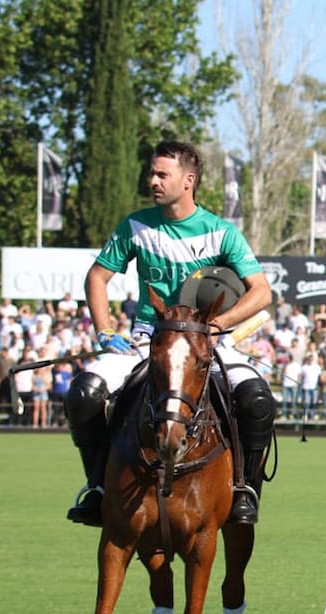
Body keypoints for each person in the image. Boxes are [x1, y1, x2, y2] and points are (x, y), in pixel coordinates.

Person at [65, 140, 275, 528]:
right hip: (148, 339)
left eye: (163, 174)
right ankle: (97, 486)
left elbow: (261, 291)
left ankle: (245, 488)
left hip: (204, 344)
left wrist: (217, 326)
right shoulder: (136, 225)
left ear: (188, 180)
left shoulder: (220, 232)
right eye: (152, 173)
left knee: (257, 399)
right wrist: (105, 330)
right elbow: (97, 276)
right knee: (83, 392)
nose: (154, 180)